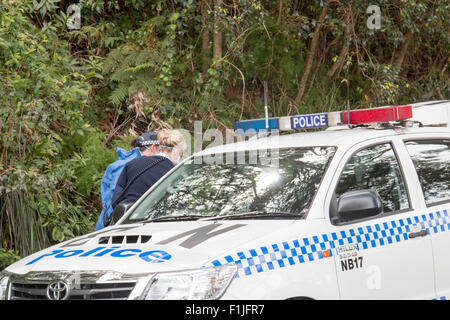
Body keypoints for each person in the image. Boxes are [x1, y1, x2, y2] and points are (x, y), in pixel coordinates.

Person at [95, 131, 160, 230]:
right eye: (161, 149)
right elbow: (114, 199)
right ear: (153, 147)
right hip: (112, 226)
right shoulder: (126, 166)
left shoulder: (137, 162)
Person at [110, 129, 186, 210]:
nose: (180, 156)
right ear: (175, 151)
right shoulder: (176, 172)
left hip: (125, 217)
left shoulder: (132, 163)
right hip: (154, 219)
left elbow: (115, 199)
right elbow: (180, 205)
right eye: (181, 153)